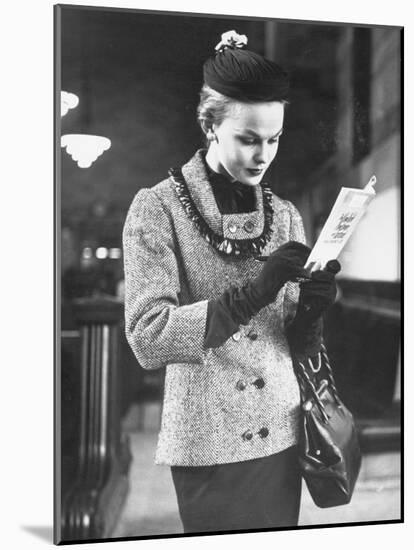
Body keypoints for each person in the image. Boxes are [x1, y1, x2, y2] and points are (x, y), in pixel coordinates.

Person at [123, 30, 340, 534]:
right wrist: (254, 291)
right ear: (209, 126)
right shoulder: (156, 208)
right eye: (248, 138)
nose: (263, 154)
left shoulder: (284, 214)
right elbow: (148, 337)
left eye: (274, 139)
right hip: (208, 441)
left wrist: (313, 308)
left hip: (281, 435)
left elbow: (295, 343)